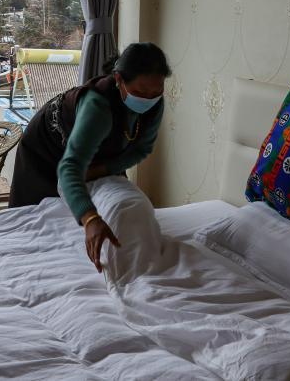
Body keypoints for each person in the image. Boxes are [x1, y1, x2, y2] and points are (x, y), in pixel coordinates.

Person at [9, 42, 170, 272]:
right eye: (140, 92)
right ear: (118, 80)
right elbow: (69, 168)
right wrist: (91, 219)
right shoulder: (98, 107)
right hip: (45, 147)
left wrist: (102, 170)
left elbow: (140, 149)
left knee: (102, 199)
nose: (148, 99)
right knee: (37, 221)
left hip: (96, 149)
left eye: (156, 92)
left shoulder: (154, 104)